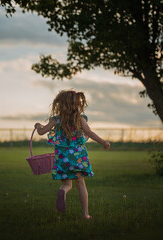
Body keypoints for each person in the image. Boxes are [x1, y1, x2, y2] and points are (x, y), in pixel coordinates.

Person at [34, 89, 110, 219]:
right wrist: (103, 142)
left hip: (63, 158)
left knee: (67, 183)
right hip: (78, 158)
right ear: (76, 104)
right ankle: (85, 214)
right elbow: (90, 133)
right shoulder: (80, 119)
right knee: (80, 183)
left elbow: (41, 132)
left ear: (60, 104)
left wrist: (38, 126)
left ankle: (63, 191)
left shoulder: (56, 120)